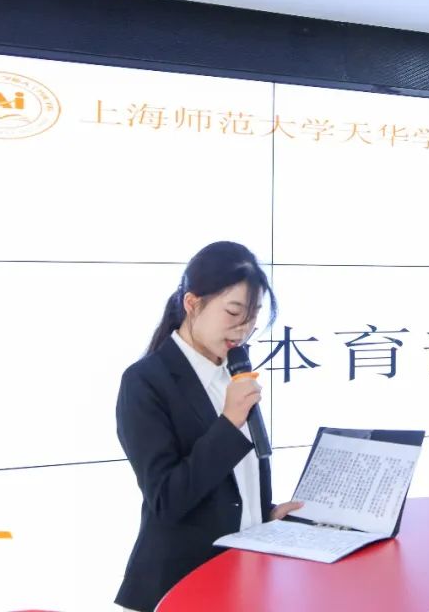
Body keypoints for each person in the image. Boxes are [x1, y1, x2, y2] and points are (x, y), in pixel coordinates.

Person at [114, 241, 303, 612]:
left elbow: (232, 482)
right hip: (179, 586)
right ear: (192, 303)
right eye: (233, 312)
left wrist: (264, 514)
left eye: (253, 316)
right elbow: (167, 500)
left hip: (242, 578)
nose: (244, 329)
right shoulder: (144, 381)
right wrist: (229, 423)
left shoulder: (234, 370)